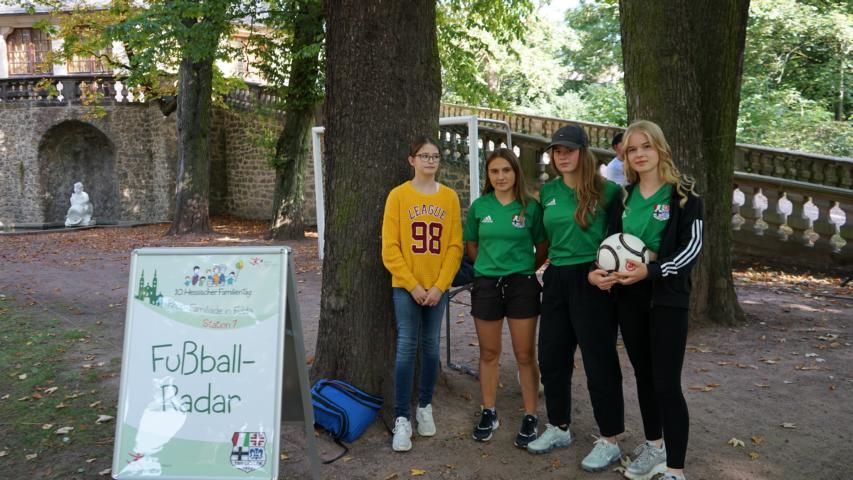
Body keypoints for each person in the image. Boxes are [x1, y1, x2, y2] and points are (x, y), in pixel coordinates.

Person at [589, 120, 703, 480]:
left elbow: (691, 249)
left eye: (646, 146)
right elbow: (610, 245)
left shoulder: (684, 195)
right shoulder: (623, 198)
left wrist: (652, 271)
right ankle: (655, 446)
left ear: (660, 148)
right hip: (630, 299)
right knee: (644, 376)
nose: (639, 154)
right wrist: (598, 273)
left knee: (667, 382)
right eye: (632, 149)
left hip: (667, 299)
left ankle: (675, 470)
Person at [527, 124, 625, 473]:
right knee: (551, 356)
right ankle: (558, 426)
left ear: (583, 152)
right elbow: (540, 239)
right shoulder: (547, 192)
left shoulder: (608, 191)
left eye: (568, 150)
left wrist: (604, 274)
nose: (562, 156)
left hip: (593, 278)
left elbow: (618, 239)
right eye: (557, 151)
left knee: (599, 360)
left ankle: (610, 439)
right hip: (556, 277)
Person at [382, 136, 463, 453]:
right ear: (411, 160)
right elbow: (390, 248)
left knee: (431, 347)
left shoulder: (450, 197)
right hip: (407, 286)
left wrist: (440, 285)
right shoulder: (398, 196)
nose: (430, 160)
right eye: (424, 155)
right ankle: (402, 417)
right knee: (406, 346)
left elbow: (455, 246)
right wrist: (412, 285)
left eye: (435, 156)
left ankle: (425, 406)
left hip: (437, 287)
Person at [463, 148, 548, 447]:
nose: (501, 176)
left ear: (515, 172)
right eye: (495, 171)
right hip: (487, 285)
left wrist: (522, 270)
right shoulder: (479, 207)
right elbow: (471, 245)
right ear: (488, 175)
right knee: (489, 353)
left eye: (506, 170)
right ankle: (489, 411)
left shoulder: (530, 208)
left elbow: (542, 246)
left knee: (525, 354)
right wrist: (490, 268)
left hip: (521, 284)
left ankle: (530, 415)